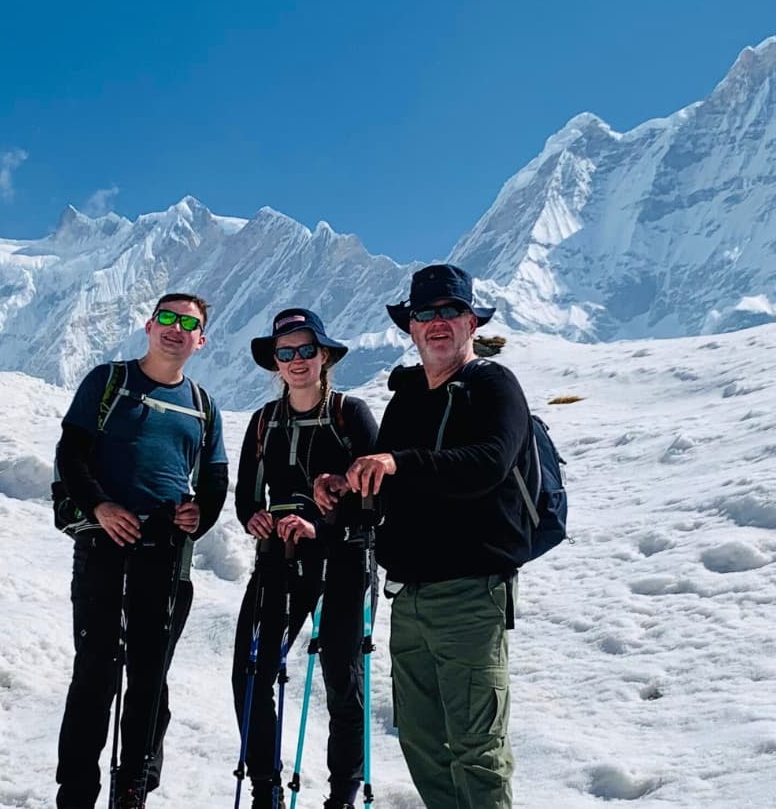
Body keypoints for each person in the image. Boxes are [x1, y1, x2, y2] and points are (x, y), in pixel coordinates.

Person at [317, 264, 530, 809]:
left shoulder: (492, 384)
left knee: (476, 746)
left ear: (471, 322)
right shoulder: (408, 399)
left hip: (471, 593)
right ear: (410, 327)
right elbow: (390, 488)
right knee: (421, 741)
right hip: (409, 597)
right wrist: (347, 486)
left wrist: (397, 461)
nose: (438, 324)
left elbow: (489, 462)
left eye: (450, 312)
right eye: (425, 314)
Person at [53, 293, 230, 809]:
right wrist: (101, 507)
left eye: (189, 324)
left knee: (151, 678)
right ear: (150, 326)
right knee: (96, 671)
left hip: (166, 553)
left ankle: (133, 791)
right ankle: (77, 795)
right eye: (168, 319)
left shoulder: (202, 404)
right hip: (103, 544)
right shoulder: (109, 381)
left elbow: (215, 478)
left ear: (201, 339)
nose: (176, 330)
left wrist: (202, 517)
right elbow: (72, 451)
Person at [232, 309, 378, 809]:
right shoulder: (262, 422)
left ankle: (343, 792)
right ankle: (266, 788)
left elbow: (374, 501)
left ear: (324, 356)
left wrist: (322, 526)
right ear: (275, 362)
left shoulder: (351, 414)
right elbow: (247, 499)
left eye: (305, 351)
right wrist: (257, 519)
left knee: (342, 673)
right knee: (250, 672)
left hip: (343, 558)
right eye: (285, 353)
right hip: (280, 555)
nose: (296, 361)